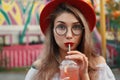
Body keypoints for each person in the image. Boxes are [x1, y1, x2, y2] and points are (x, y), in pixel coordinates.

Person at [25, 0, 116, 80]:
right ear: (52, 31)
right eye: (61, 27)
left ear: (84, 32)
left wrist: (84, 76)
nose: (69, 35)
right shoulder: (38, 70)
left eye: (76, 27)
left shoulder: (99, 67)